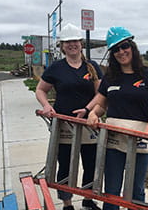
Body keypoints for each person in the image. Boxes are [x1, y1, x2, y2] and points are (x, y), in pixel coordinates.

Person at [87, 26, 148, 210]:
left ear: (132, 46)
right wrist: (92, 113)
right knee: (112, 190)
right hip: (114, 140)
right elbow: (101, 105)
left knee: (136, 190)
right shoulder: (111, 77)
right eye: (116, 49)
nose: (121, 52)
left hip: (140, 138)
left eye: (125, 46)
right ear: (112, 54)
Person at [36, 23, 103, 210]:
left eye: (75, 41)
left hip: (89, 123)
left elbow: (101, 94)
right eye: (67, 42)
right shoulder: (56, 68)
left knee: (91, 164)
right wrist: (47, 105)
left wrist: (87, 109)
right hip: (64, 125)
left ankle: (88, 200)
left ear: (81, 44)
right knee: (65, 164)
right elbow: (40, 89)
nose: (72, 45)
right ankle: (66, 203)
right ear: (62, 46)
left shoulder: (92, 67)